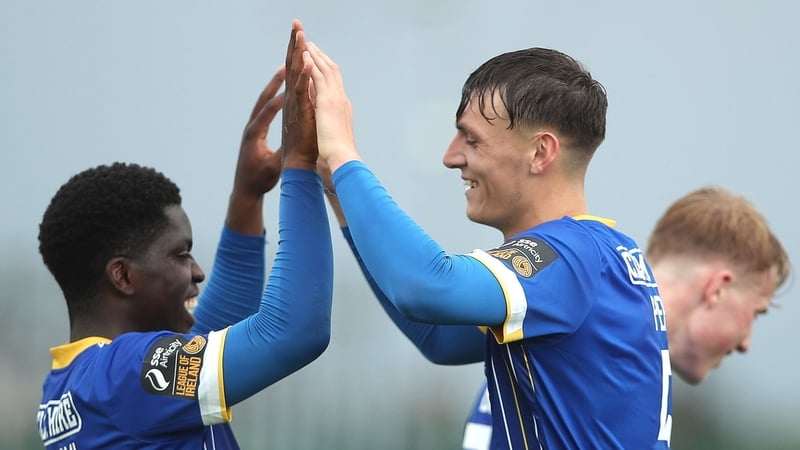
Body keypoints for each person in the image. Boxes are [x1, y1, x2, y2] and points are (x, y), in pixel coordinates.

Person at [304, 35, 672, 448]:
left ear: (540, 152)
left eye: (472, 139)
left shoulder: (570, 255)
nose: (450, 157)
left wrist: (343, 152)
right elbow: (438, 337)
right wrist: (338, 186)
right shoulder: (608, 254)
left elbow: (427, 287)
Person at [36, 22, 331, 449]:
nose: (196, 271)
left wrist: (248, 197)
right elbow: (296, 330)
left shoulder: (72, 384)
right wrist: (301, 164)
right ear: (123, 276)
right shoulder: (123, 375)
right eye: (180, 254)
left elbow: (215, 329)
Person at [458, 186, 791, 449]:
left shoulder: (586, 349)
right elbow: (438, 308)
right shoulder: (597, 358)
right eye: (756, 312)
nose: (746, 343)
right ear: (717, 289)